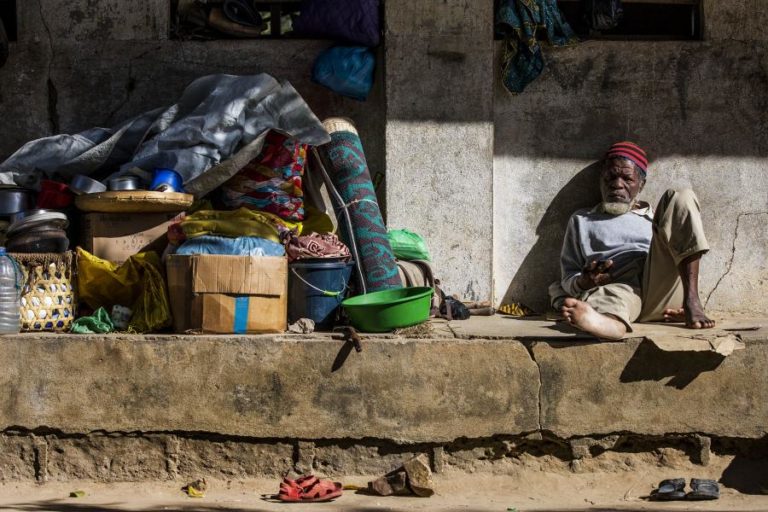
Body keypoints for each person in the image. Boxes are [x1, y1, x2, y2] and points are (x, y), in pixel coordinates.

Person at [549, 141, 716, 340]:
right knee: (613, 297)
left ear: (641, 185)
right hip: (617, 290)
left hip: (659, 293)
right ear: (601, 180)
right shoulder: (581, 220)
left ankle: (692, 302)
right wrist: (584, 281)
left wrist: (684, 300)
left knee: (682, 197)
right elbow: (568, 278)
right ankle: (606, 323)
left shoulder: (656, 219)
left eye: (627, 178)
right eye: (610, 177)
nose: (617, 184)